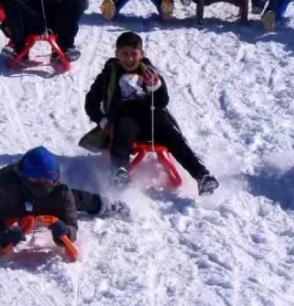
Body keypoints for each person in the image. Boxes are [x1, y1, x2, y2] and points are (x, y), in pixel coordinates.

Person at [83, 31, 219, 194]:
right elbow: (90, 103)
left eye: (134, 54)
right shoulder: (107, 75)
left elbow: (162, 101)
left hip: (151, 118)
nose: (129, 59)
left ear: (142, 54)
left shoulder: (149, 73)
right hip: (125, 118)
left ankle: (201, 176)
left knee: (173, 136)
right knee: (122, 131)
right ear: (116, 54)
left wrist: (155, 84)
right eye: (124, 54)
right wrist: (103, 121)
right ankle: (119, 172)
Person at [0, 146, 129, 254]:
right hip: (16, 200)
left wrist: (66, 233)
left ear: (54, 179)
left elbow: (71, 223)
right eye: (36, 179)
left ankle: (109, 206)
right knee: (68, 198)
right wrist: (3, 237)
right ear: (24, 176)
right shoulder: (5, 189)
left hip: (46, 202)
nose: (42, 184)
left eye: (47, 180)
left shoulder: (59, 192)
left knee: (76, 198)